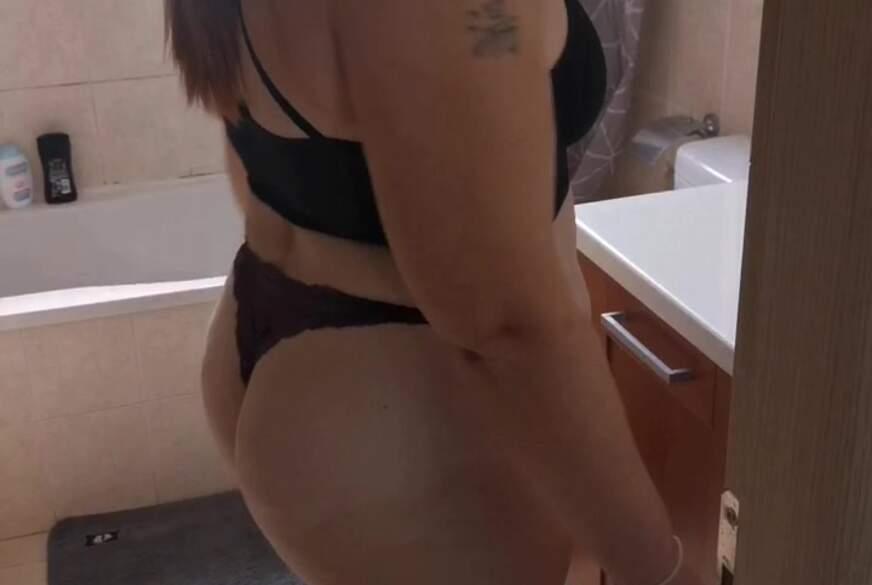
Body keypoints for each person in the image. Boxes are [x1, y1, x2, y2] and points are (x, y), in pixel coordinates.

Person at [167, 1, 696, 583]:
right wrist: (657, 570)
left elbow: (256, 163)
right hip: (406, 411)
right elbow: (506, 324)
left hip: (305, 343)